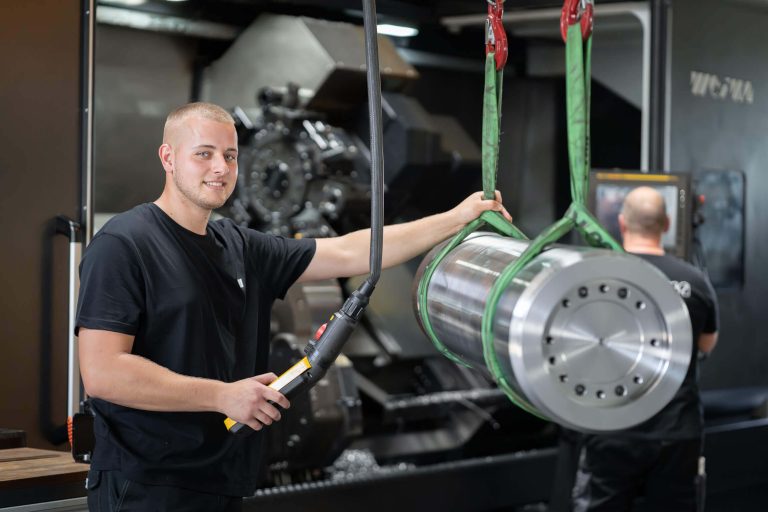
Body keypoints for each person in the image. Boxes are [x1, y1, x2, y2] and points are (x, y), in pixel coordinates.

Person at [76, 102, 512, 511]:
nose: (220, 168)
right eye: (203, 154)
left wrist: (457, 219)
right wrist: (223, 396)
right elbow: (103, 373)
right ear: (168, 158)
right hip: (145, 483)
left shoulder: (238, 244)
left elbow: (348, 253)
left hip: (219, 477)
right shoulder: (124, 244)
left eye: (230, 156)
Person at [571, 186, 719, 512]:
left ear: (622, 224)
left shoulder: (598, 274)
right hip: (677, 430)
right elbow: (707, 344)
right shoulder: (693, 280)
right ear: (666, 224)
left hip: (611, 426)